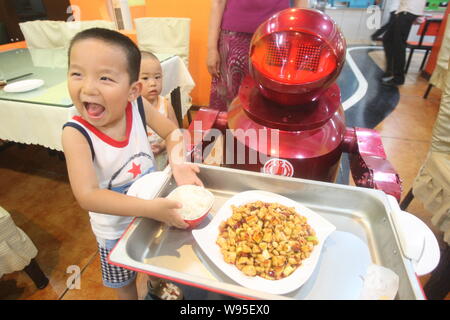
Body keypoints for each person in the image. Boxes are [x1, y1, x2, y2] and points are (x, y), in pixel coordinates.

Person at [62, 28, 202, 300]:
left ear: (132, 90)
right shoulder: (75, 133)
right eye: (77, 73)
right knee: (124, 284)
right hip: (114, 231)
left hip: (151, 212)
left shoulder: (137, 106)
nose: (88, 87)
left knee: (156, 266)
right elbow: (88, 196)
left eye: (104, 78)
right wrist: (151, 209)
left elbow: (173, 133)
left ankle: (156, 287)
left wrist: (177, 163)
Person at [207, 0, 308, 111]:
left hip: (276, 38)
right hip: (233, 37)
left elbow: (301, 5)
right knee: (228, 104)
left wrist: (297, 42)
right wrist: (211, 49)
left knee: (269, 102)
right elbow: (218, 2)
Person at [139, 51, 179, 171]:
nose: (153, 83)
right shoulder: (131, 107)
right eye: (145, 78)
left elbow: (176, 132)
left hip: (162, 158)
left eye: (157, 77)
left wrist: (162, 146)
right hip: (139, 163)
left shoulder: (165, 105)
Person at [381, 0, 426, 86]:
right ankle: (391, 69)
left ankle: (398, 77)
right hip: (404, 10)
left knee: (399, 45)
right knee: (388, 39)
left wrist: (417, 14)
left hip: (407, 11)